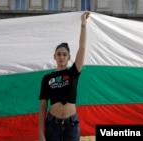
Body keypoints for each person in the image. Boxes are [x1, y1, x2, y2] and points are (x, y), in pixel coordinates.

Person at [38, 11, 90, 141]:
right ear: (54, 56)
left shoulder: (73, 72)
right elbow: (43, 106)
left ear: (69, 57)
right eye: (59, 54)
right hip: (52, 124)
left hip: (71, 124)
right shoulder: (47, 78)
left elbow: (82, 48)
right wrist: (40, 132)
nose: (61, 57)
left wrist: (83, 25)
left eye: (64, 54)